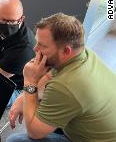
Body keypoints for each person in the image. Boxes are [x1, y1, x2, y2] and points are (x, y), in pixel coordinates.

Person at [7, 13, 116, 142]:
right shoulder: (84, 54)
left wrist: (30, 82)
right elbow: (50, 75)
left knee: (14, 140)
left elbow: (34, 133)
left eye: (42, 45)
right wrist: (22, 98)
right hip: (98, 124)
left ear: (66, 51)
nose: (35, 49)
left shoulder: (66, 86)